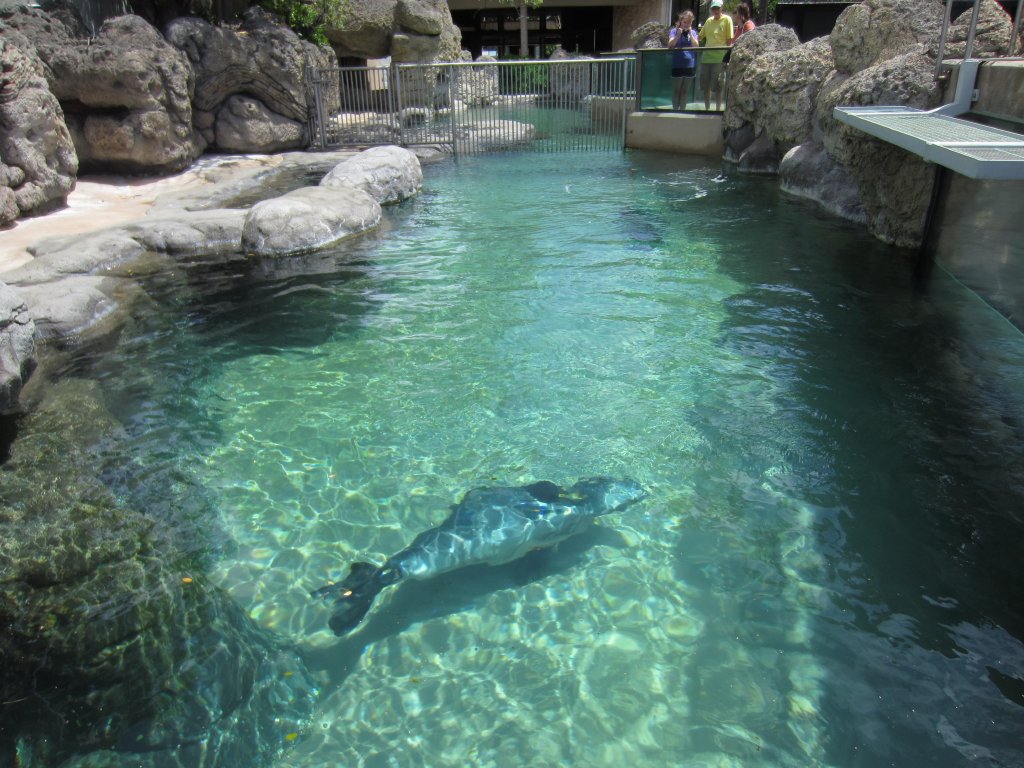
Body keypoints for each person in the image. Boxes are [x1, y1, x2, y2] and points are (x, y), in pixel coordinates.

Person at [698, 0, 733, 111]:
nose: (716, 10)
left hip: (720, 59)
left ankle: (718, 110)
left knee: (719, 86)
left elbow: (729, 41)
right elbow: (700, 37)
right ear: (711, 9)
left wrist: (727, 59)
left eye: (717, 8)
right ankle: (707, 109)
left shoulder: (727, 19)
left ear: (722, 8)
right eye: (714, 8)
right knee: (706, 86)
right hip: (706, 59)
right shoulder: (708, 21)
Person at [669, 11, 699, 111]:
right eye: (685, 22)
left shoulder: (693, 33)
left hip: (689, 65)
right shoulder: (674, 31)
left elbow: (696, 46)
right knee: (677, 90)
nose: (687, 24)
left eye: (689, 22)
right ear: (681, 21)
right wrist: (678, 34)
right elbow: (670, 45)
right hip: (677, 64)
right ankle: (675, 111)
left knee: (685, 91)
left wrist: (690, 33)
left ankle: (682, 111)